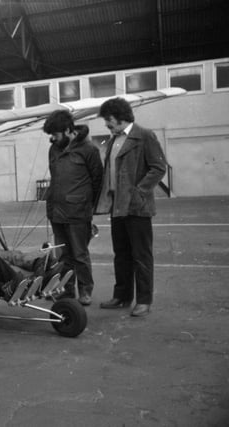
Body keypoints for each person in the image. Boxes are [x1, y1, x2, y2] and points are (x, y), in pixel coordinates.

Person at [95, 97, 166, 317]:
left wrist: (139, 191)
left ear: (121, 116)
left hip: (137, 207)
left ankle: (144, 300)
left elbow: (158, 167)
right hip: (117, 206)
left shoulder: (144, 136)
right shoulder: (114, 139)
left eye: (109, 119)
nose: (106, 123)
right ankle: (122, 297)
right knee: (122, 254)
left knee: (141, 255)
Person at [42, 110, 103, 306]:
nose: (52, 138)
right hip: (56, 212)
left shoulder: (89, 150)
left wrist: (86, 206)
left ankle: (85, 291)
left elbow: (97, 181)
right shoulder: (54, 149)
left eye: (55, 134)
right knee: (63, 256)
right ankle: (66, 290)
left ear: (68, 130)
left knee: (79, 254)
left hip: (78, 213)